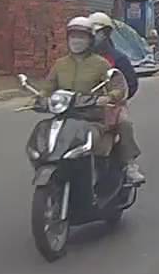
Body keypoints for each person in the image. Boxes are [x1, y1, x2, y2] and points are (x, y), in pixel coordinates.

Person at [36, 17, 132, 206]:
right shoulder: (60, 64)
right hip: (63, 118)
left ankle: (98, 183)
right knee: (44, 138)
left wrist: (109, 97)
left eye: (81, 37)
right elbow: (48, 87)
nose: (76, 41)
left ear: (90, 40)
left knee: (91, 143)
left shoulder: (101, 64)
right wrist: (40, 98)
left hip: (91, 119)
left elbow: (118, 86)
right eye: (73, 36)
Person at [89, 12, 144, 186]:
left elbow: (131, 84)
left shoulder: (118, 58)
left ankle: (130, 165)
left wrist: (117, 98)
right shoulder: (78, 58)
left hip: (111, 106)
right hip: (82, 105)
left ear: (106, 34)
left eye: (98, 32)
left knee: (124, 124)